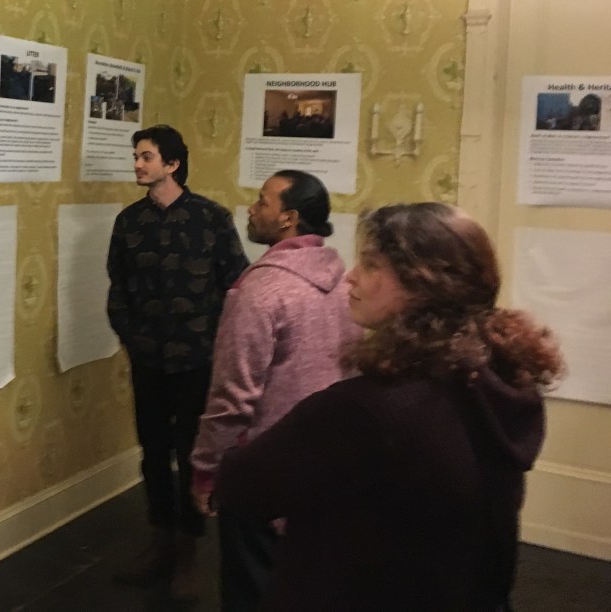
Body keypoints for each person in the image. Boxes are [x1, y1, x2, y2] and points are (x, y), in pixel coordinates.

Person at [216, 203, 563, 612]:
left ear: (423, 283)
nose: (352, 275)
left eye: (371, 264)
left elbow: (240, 486)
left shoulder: (365, 411)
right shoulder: (502, 382)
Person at [190, 170, 360, 612]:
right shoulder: (348, 283)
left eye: (262, 201)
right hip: (328, 463)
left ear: (289, 218)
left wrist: (207, 470)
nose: (251, 208)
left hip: (264, 470)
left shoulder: (259, 291)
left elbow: (232, 397)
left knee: (252, 590)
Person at [106, 124, 249, 602]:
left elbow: (237, 285)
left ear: (172, 164)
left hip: (197, 360)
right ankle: (160, 541)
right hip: (148, 359)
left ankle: (188, 552)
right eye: (136, 156)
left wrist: (218, 344)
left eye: (146, 156)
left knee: (191, 454)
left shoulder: (211, 218)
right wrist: (132, 338)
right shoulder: (129, 222)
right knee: (152, 452)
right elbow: (118, 287)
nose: (137, 164)